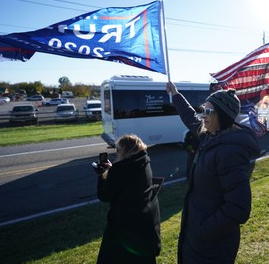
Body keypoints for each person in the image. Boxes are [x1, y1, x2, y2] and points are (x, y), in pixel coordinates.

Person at [166, 81, 260, 263]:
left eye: (208, 112)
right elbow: (190, 117)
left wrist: (203, 230)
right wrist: (176, 94)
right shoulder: (211, 136)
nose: (203, 116)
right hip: (197, 238)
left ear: (223, 116)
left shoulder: (230, 151)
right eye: (203, 110)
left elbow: (239, 208)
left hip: (211, 245)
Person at [95, 134, 161, 264]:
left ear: (124, 151)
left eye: (118, 150)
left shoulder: (120, 170)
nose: (117, 153)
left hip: (126, 225)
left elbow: (104, 195)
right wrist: (112, 170)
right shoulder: (144, 161)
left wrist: (102, 174)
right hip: (144, 221)